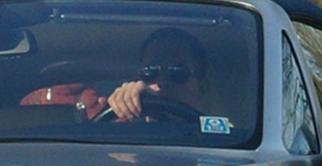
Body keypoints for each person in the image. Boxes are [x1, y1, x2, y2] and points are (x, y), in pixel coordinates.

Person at [20, 28, 210, 124]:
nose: (161, 81)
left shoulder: (225, 137)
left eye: (177, 73)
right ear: (138, 77)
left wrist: (165, 116)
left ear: (202, 87)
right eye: (150, 71)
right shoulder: (116, 129)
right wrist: (123, 109)